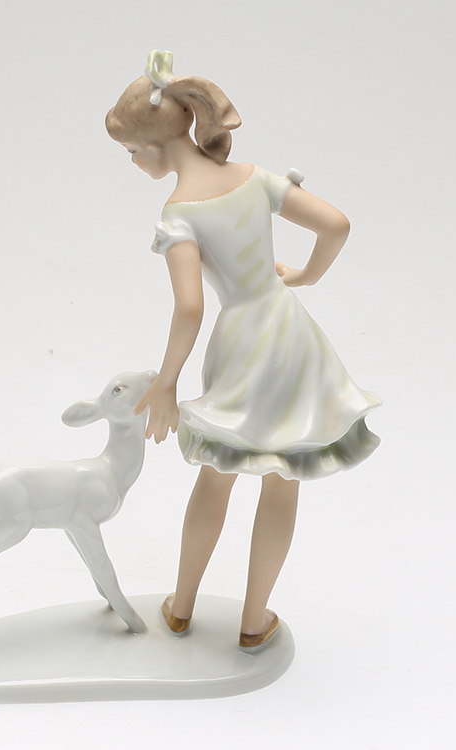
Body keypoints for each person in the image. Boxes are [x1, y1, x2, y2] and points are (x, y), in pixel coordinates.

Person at [106, 51, 380, 649]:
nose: (132, 162)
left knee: (217, 476)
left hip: (242, 343)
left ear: (154, 146)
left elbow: (189, 308)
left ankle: (181, 607)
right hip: (292, 336)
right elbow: (336, 224)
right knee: (283, 477)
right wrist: (305, 276)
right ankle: (254, 623)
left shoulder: (179, 212)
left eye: (130, 151)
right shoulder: (255, 177)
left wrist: (167, 381)